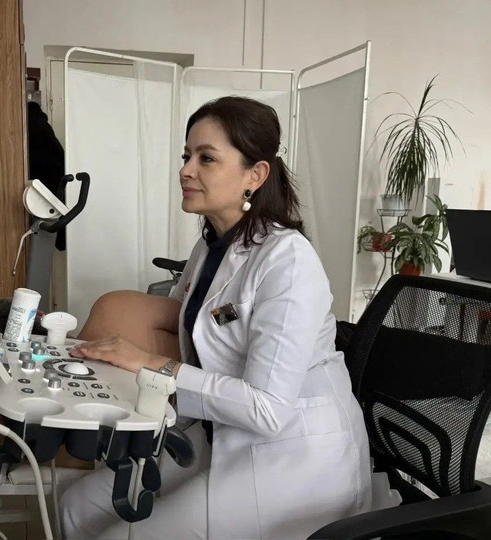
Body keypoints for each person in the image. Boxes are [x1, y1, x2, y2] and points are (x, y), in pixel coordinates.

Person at [59, 96, 372, 539]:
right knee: (74, 506)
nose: (186, 170)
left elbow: (267, 409)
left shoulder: (288, 261)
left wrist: (152, 364)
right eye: (186, 156)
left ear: (255, 175)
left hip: (291, 461)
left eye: (206, 158)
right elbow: (199, 333)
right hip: (217, 435)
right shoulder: (211, 246)